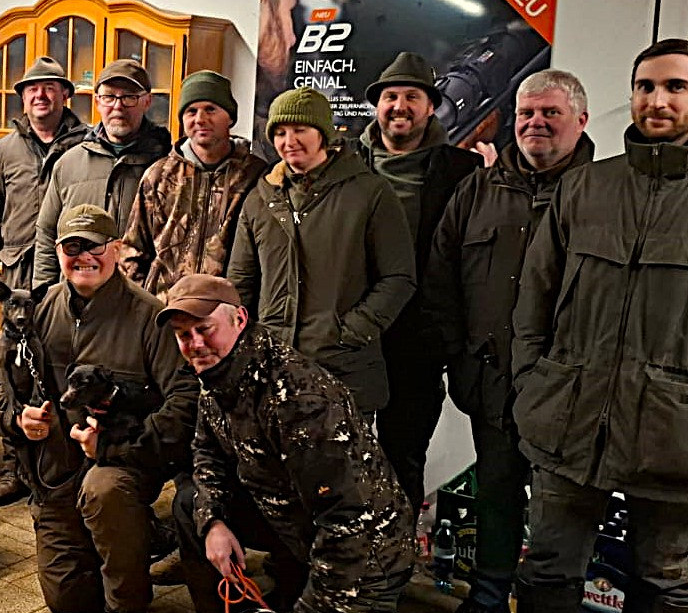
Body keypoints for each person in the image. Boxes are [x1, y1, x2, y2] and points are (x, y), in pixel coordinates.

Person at [158, 274, 563, 613]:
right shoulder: (218, 377)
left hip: (367, 555)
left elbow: (349, 520)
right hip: (304, 535)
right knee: (190, 505)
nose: (195, 344)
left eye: (204, 329)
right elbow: (206, 453)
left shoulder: (298, 396)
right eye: (183, 335)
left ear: (239, 320)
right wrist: (213, 523)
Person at [511, 39, 688, 613]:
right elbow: (534, 297)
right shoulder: (586, 187)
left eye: (675, 86)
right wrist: (532, 383)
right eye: (644, 86)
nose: (656, 100)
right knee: (550, 562)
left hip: (679, 427)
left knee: (662, 575)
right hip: (569, 414)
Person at [0, 204, 196, 613]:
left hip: (121, 465)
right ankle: (138, 538)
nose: (84, 257)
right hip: (56, 478)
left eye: (95, 246)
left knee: (105, 491)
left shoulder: (148, 316)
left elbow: (184, 400)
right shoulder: (35, 310)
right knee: (70, 600)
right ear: (58, 252)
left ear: (117, 249)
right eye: (73, 247)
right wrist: (14, 416)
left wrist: (119, 443)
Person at [424, 70, 594, 613]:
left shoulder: (602, 195)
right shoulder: (478, 190)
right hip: (492, 379)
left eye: (550, 112)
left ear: (581, 121)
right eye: (526, 113)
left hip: (568, 389)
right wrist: (459, 355)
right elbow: (441, 273)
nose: (535, 123)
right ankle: (488, 603)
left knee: (560, 512)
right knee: (496, 492)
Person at [226, 86, 415, 418]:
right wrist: (249, 343)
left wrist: (351, 331)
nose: (289, 141)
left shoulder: (370, 192)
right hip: (273, 370)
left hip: (344, 370)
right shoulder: (260, 198)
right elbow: (240, 281)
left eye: (300, 129)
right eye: (280, 133)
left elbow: (398, 278)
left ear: (323, 134)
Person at [356, 52, 482, 512]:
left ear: (431, 107)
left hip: (417, 342)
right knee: (336, 456)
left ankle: (396, 551)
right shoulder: (344, 164)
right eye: (390, 96)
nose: (400, 106)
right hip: (349, 337)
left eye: (412, 96)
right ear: (377, 105)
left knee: (402, 459)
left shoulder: (463, 172)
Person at [0, 55, 89, 507]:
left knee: (62, 362)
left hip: (67, 276)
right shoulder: (4, 150)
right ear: (22, 98)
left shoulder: (86, 146)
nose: (40, 95)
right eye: (31, 89)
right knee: (12, 370)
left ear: (65, 94)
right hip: (17, 275)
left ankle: (62, 462)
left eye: (49, 87)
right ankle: (15, 465)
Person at [120, 69, 268, 298]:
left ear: (230, 117)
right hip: (166, 308)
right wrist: (142, 306)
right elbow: (133, 251)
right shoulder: (158, 176)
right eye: (191, 111)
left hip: (227, 310)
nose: (200, 119)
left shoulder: (255, 175)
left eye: (210, 109)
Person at [32, 59, 171, 291]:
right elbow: (47, 233)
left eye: (129, 97)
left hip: (138, 300)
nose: (118, 106)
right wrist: (45, 295)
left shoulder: (166, 167)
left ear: (147, 101)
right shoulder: (68, 164)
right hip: (75, 298)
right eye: (109, 97)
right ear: (97, 101)